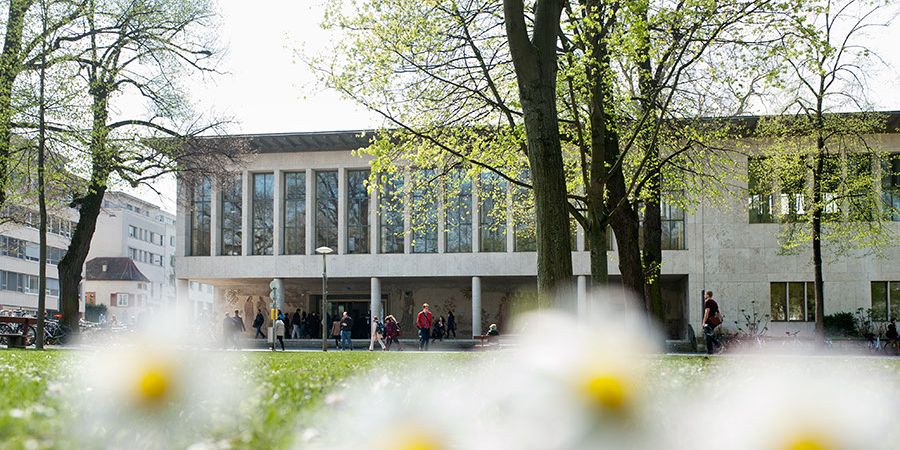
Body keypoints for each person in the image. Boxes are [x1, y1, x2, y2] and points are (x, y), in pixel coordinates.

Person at [701, 290, 722, 355]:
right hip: (714, 321)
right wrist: (720, 320)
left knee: (708, 335)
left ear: (708, 295)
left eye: (705, 294)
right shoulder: (714, 302)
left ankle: (717, 345)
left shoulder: (707, 302)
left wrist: (703, 322)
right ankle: (711, 350)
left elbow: (707, 312)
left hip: (709, 321)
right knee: (709, 335)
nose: (704, 296)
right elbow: (718, 312)